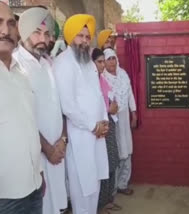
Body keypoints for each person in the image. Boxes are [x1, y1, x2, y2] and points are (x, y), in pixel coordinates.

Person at [13, 7, 68, 214]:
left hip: (57, 152)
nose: (42, 39)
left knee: (57, 207)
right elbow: (22, 118)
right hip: (38, 158)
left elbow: (59, 108)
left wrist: (63, 141)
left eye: (47, 34)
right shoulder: (16, 65)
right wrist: (48, 149)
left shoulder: (47, 64)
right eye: (37, 32)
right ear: (24, 32)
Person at [53, 14, 110, 214]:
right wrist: (93, 125)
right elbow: (67, 105)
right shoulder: (63, 63)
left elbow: (98, 94)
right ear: (70, 36)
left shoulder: (88, 63)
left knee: (94, 185)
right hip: (80, 138)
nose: (85, 41)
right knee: (82, 189)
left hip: (96, 135)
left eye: (87, 37)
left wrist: (104, 121)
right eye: (80, 36)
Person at [0, 2, 44, 214]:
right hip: (6, 196)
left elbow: (29, 125)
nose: (5, 31)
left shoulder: (22, 75)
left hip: (34, 187)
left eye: (10, 23)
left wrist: (40, 171)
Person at [103, 48, 137, 196]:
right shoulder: (102, 78)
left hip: (124, 115)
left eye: (113, 58)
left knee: (127, 148)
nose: (112, 62)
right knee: (115, 150)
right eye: (108, 59)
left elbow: (129, 94)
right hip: (111, 118)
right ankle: (114, 188)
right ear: (104, 61)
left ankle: (124, 183)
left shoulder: (123, 74)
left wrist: (134, 113)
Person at [92, 48, 122, 213]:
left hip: (110, 123)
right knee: (103, 165)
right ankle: (100, 205)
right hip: (100, 127)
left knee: (112, 162)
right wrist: (108, 109)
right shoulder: (90, 81)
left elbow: (111, 97)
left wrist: (115, 106)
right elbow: (92, 105)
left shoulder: (102, 79)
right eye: (100, 61)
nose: (103, 65)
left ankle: (109, 200)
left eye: (104, 61)